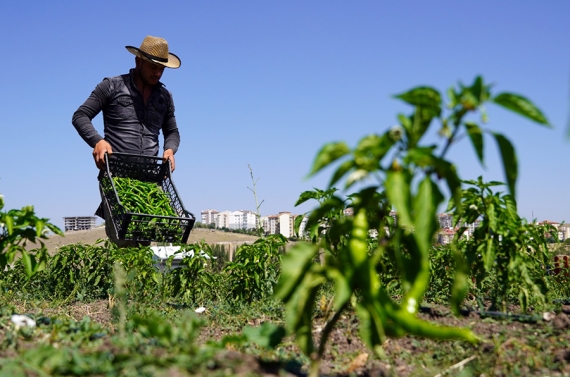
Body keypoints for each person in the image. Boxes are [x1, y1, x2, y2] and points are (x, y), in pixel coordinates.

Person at [72, 35, 182, 247]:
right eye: (153, 67)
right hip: (116, 178)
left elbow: (173, 131)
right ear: (138, 61)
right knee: (123, 244)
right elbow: (80, 116)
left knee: (142, 247)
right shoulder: (111, 86)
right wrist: (98, 141)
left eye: (162, 68)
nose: (158, 73)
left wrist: (170, 149)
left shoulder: (165, 97)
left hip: (150, 182)